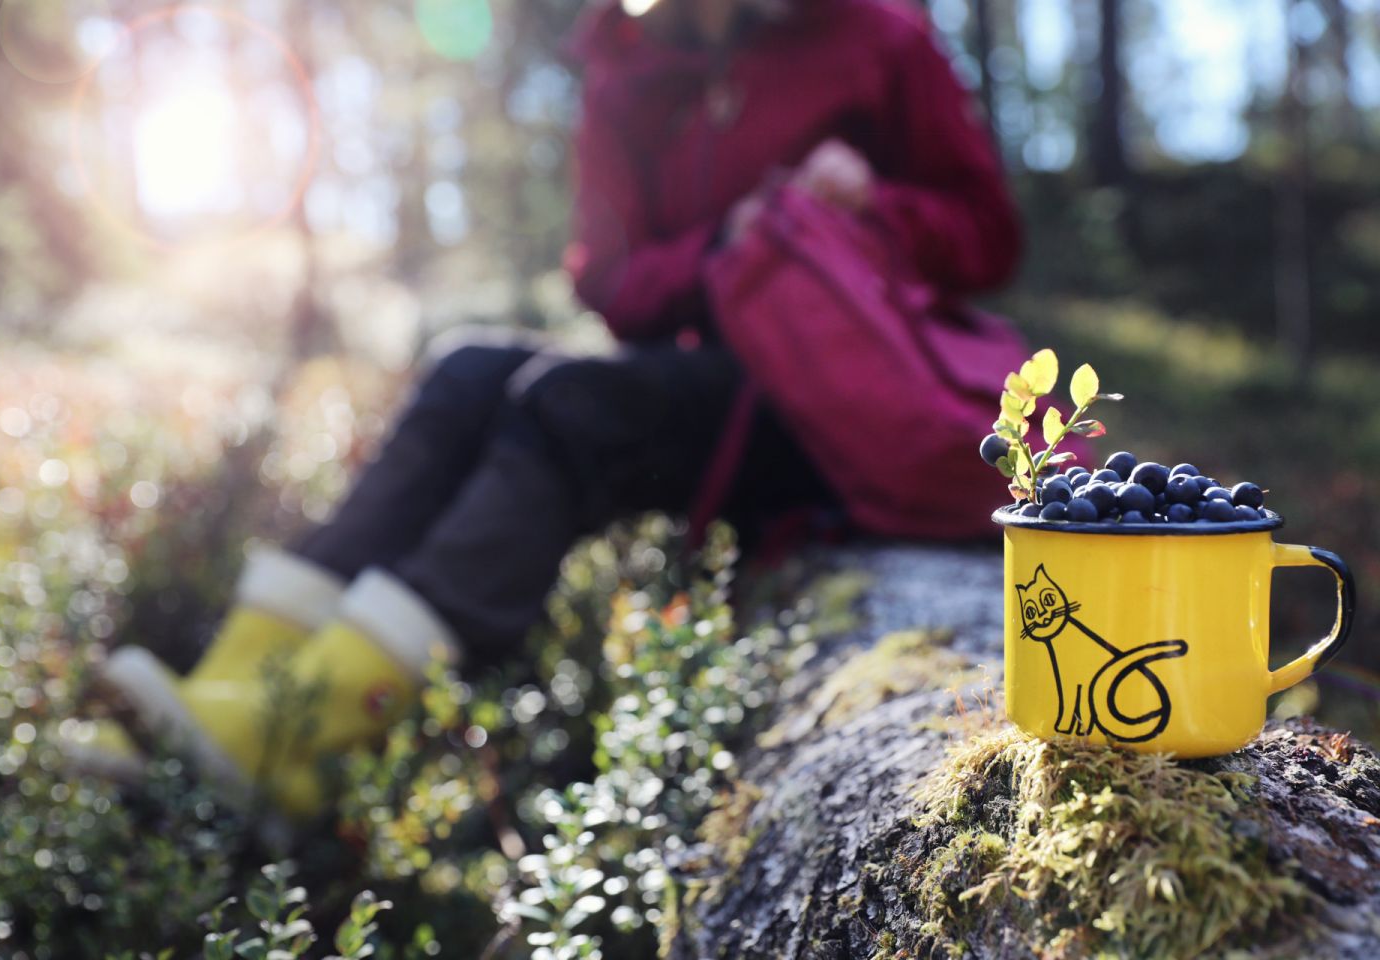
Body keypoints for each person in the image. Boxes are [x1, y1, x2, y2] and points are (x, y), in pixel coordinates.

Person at [69, 0, 1021, 817]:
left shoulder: (877, 35)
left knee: (573, 405)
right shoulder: (624, 69)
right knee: (465, 368)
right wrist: (726, 247)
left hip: (833, 408)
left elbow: (987, 237)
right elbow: (610, 281)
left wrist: (875, 208)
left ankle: (302, 742)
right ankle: (238, 690)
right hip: (696, 385)